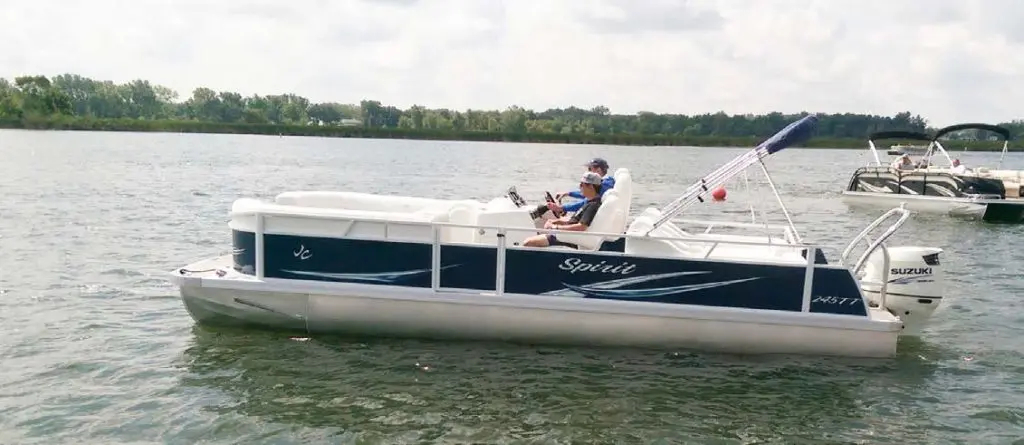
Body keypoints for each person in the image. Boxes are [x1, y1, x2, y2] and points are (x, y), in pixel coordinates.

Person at [522, 172, 604, 248]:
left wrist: (555, 227)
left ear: (591, 186)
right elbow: (575, 220)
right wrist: (556, 221)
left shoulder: (593, 205)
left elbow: (581, 227)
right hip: (567, 235)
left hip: (569, 238)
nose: (580, 187)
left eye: (582, 185)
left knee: (528, 242)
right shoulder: (589, 202)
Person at [529, 157, 616, 221]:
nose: (587, 171)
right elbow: (587, 194)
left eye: (590, 169)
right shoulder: (604, 182)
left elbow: (585, 202)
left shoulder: (605, 185)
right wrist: (568, 193)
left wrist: (561, 208)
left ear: (598, 170)